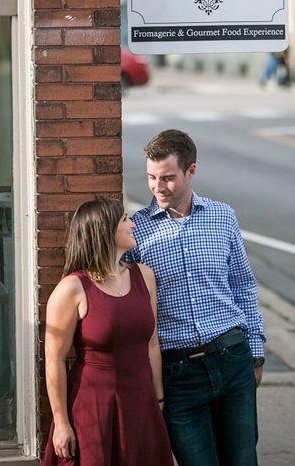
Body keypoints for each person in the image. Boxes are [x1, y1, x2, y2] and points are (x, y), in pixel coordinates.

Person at [125, 129, 265, 466]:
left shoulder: (223, 216)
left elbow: (243, 285)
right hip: (178, 374)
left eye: (168, 178)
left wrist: (255, 353)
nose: (158, 187)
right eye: (151, 178)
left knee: (243, 460)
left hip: (232, 358)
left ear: (191, 171)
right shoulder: (135, 233)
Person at [42, 197, 173, 466]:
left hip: (141, 401)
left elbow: (152, 344)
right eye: (125, 219)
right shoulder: (72, 289)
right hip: (93, 406)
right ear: (105, 232)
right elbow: (54, 359)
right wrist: (62, 424)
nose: (133, 224)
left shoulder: (144, 276)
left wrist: (158, 398)